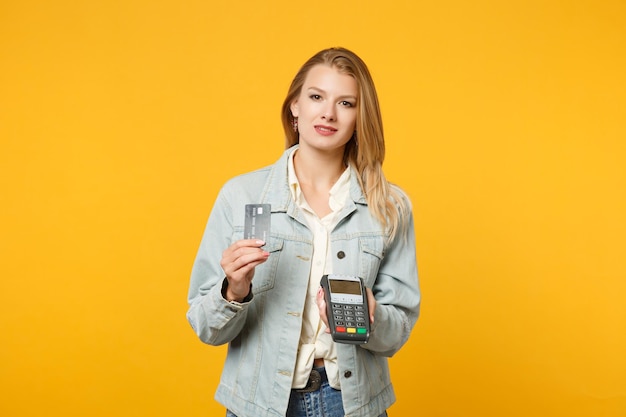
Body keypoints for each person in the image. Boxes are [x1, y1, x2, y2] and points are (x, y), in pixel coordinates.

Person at [187, 47, 420, 417]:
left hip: (351, 404)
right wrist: (234, 290)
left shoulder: (389, 206)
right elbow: (206, 327)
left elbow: (398, 331)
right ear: (295, 106)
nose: (328, 113)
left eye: (346, 103)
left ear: (361, 117)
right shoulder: (243, 195)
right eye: (316, 97)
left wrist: (372, 318)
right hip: (259, 404)